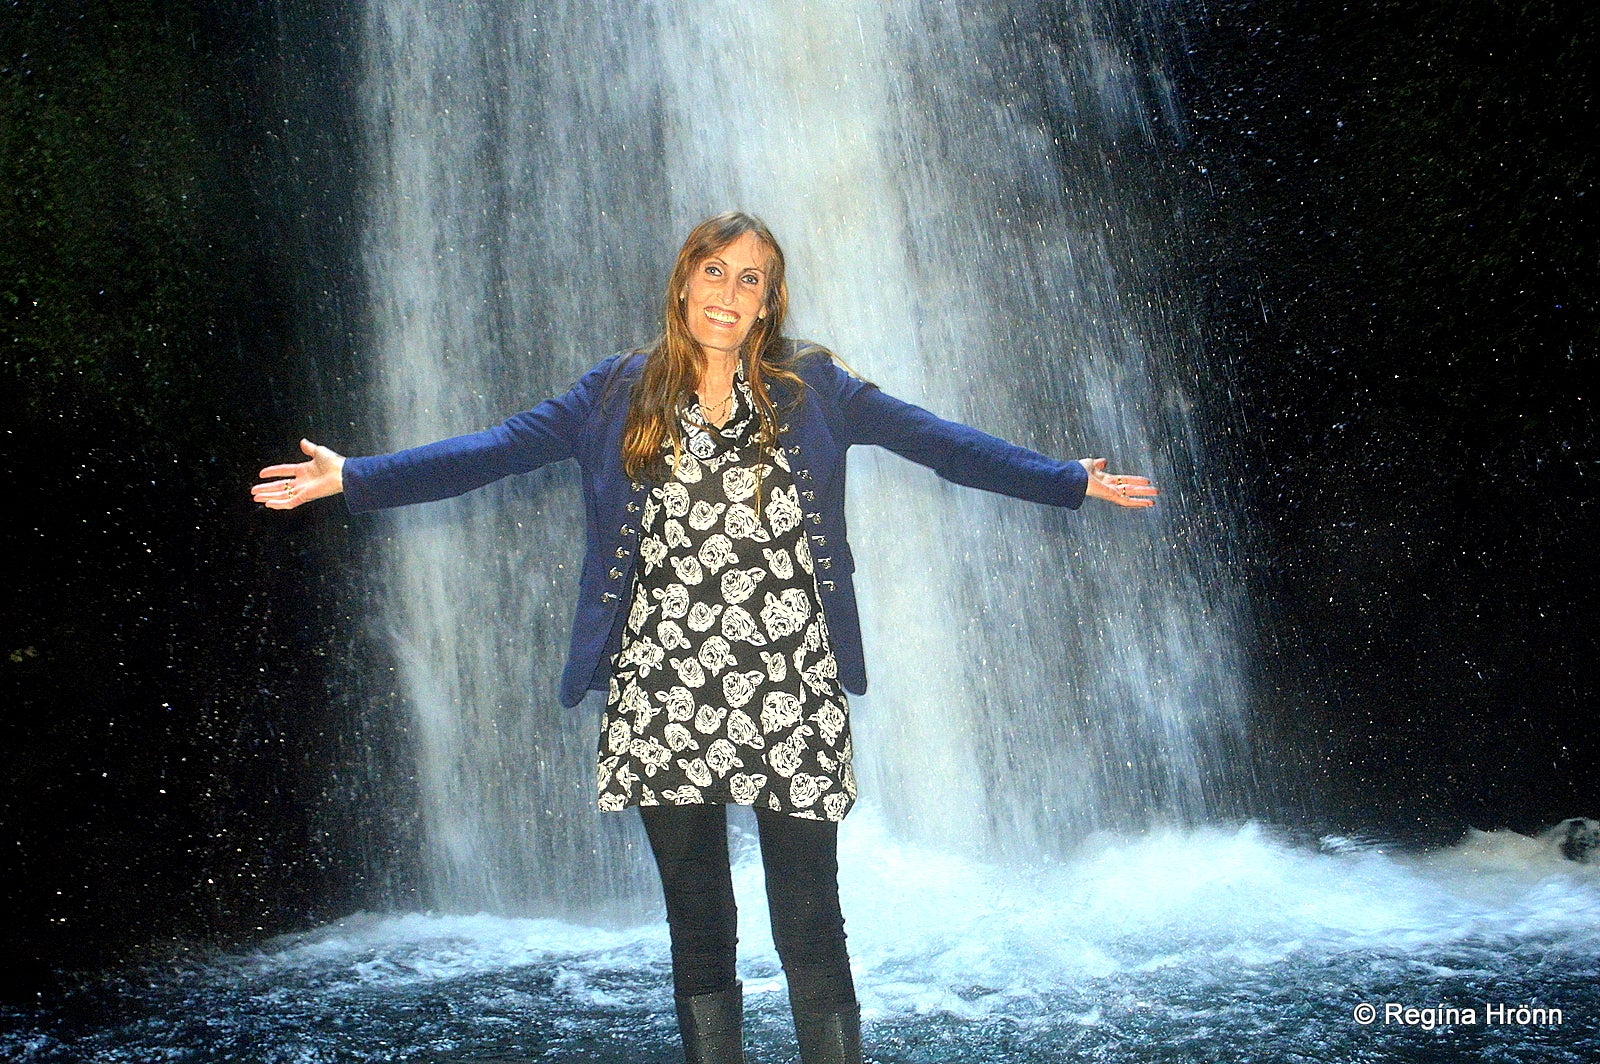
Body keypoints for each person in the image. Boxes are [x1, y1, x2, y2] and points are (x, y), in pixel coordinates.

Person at [253, 211, 1157, 1064]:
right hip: (662, 689)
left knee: (809, 915)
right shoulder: (613, 391)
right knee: (697, 916)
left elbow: (941, 443)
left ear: (770, 301)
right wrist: (356, 478)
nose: (729, 292)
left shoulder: (815, 389)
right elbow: (490, 451)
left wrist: (1064, 481)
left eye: (751, 279)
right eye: (714, 271)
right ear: (684, 280)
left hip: (791, 683)